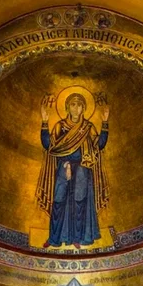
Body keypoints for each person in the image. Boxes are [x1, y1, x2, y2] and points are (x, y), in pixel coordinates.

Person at [40, 93, 109, 248]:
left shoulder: (88, 127)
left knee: (79, 202)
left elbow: (99, 145)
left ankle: (77, 238)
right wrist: (45, 121)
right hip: (63, 168)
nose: (76, 108)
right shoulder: (60, 126)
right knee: (58, 201)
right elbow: (48, 145)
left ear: (83, 108)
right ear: (67, 107)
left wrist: (104, 123)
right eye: (72, 104)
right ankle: (54, 238)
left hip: (82, 169)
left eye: (79, 105)